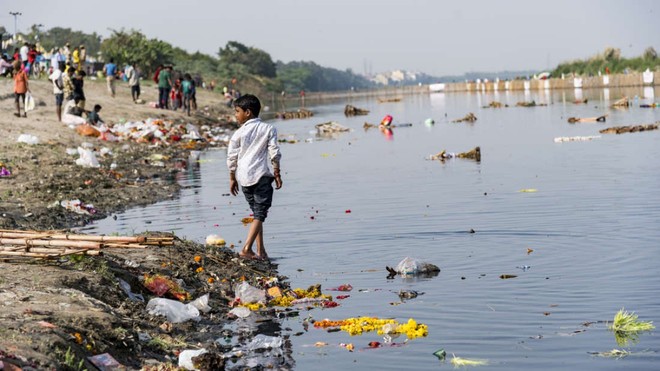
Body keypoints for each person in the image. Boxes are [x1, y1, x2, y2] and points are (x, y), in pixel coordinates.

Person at [227, 94, 283, 261]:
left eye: (237, 111)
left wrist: (232, 177)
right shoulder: (268, 129)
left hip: (243, 177)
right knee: (259, 214)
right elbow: (274, 152)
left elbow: (231, 158)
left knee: (257, 214)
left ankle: (261, 251)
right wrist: (277, 172)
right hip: (260, 176)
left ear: (248, 112)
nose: (235, 115)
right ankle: (246, 249)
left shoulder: (237, 133)